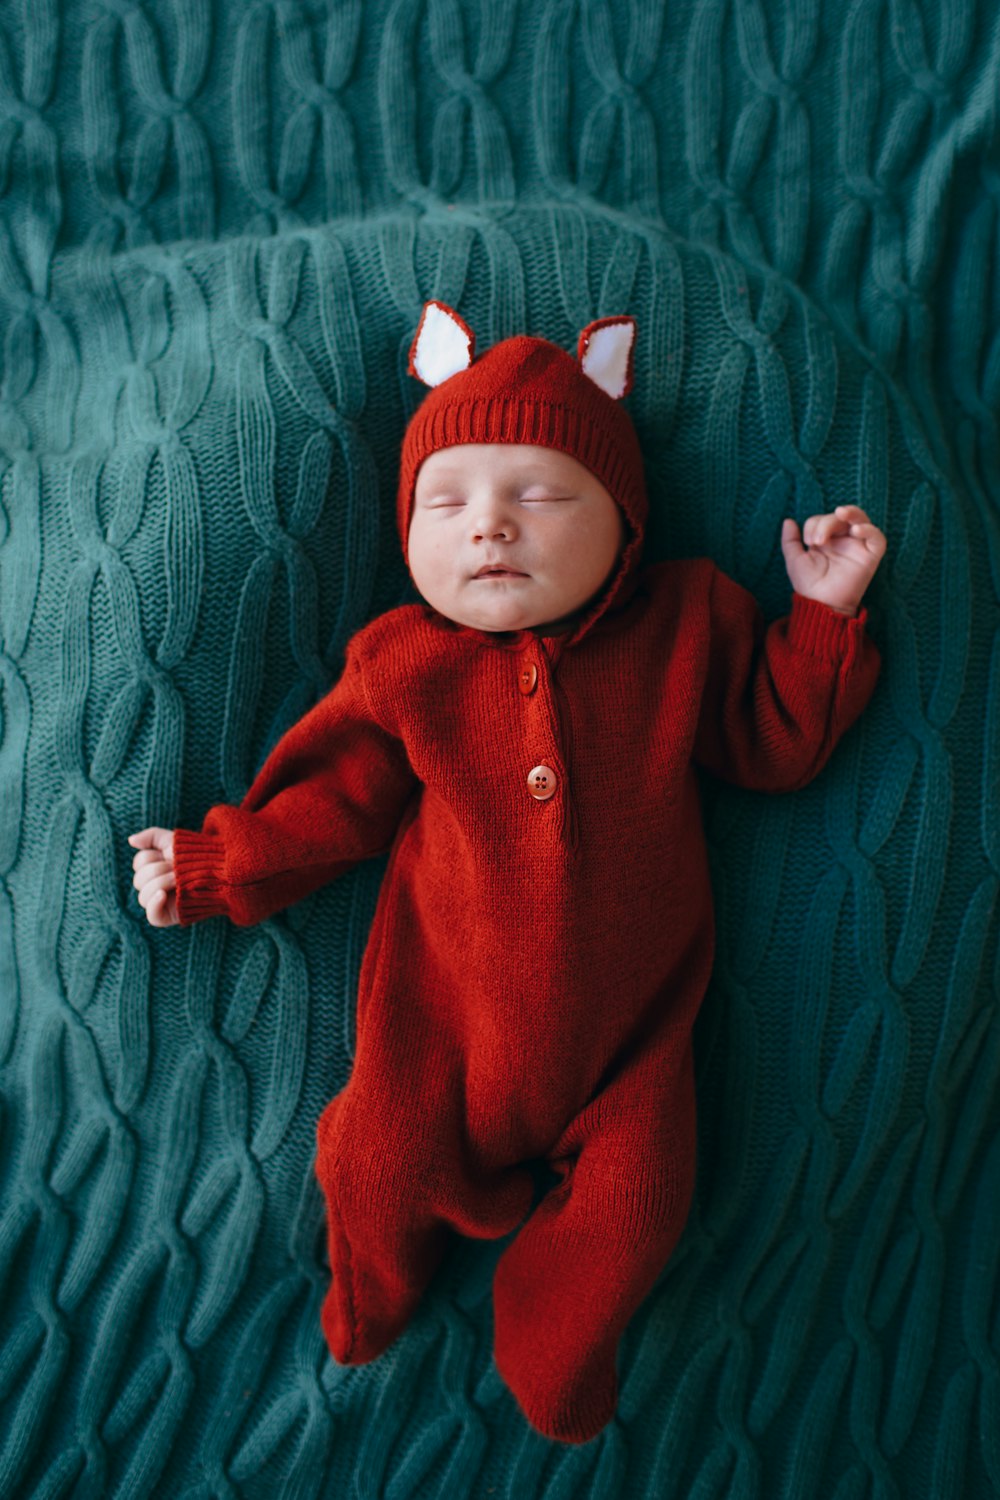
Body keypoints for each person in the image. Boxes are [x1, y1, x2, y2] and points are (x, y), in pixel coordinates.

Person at [129, 301, 886, 1443]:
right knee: (370, 1163)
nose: (489, 528)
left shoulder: (684, 626)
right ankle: (369, 1297)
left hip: (628, 1057)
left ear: (625, 525)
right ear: (410, 533)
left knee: (639, 1210)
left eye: (539, 495)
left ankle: (554, 1342)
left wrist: (820, 620)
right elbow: (327, 803)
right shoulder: (403, 667)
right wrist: (214, 864)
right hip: (439, 1039)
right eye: (449, 502)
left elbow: (773, 742)